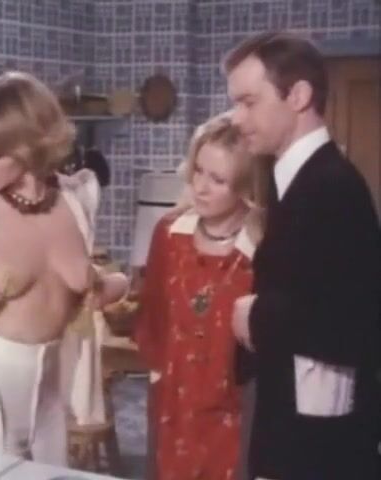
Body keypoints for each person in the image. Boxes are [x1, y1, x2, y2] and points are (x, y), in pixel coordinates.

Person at [0, 71, 128, 465]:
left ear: (32, 144)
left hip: (53, 417)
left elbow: (91, 289)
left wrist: (114, 285)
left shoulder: (77, 198)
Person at [226, 32, 381, 480]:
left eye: (249, 102)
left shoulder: (331, 186)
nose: (236, 118)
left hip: (318, 443)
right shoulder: (298, 178)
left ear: (297, 96)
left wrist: (255, 317)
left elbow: (355, 319)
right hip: (297, 418)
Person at [134, 112, 266, 480]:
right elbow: (153, 318)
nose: (201, 188)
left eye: (218, 179)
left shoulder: (261, 245)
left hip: (236, 410)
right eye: (198, 171)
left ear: (244, 186)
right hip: (174, 404)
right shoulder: (169, 233)